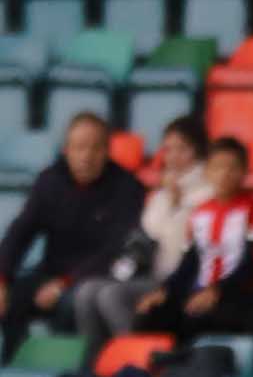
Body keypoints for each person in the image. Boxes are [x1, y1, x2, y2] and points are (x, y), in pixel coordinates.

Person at [0, 115, 149, 360]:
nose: (86, 156)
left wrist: (66, 282)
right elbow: (20, 231)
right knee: (12, 298)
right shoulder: (49, 181)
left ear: (106, 151)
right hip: (50, 274)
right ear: (66, 150)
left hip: (96, 278)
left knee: (72, 302)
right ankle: (12, 365)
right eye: (79, 147)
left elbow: (116, 248)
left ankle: (75, 368)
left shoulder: (127, 188)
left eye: (95, 148)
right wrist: (2, 277)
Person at [69, 116, 210, 363]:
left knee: (111, 295)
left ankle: (138, 363)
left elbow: (188, 244)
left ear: (198, 151)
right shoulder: (160, 194)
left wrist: (178, 204)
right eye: (168, 149)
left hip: (179, 280)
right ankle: (93, 365)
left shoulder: (209, 192)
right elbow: (149, 233)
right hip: (148, 275)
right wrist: (168, 199)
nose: (173, 157)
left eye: (182, 149)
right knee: (86, 292)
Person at [141, 137, 253, 340]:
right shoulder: (199, 213)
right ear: (208, 172)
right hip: (199, 291)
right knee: (149, 315)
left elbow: (252, 262)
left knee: (195, 319)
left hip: (235, 294)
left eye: (233, 168)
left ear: (244, 172)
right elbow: (190, 262)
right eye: (218, 168)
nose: (225, 174)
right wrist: (164, 290)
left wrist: (217, 291)